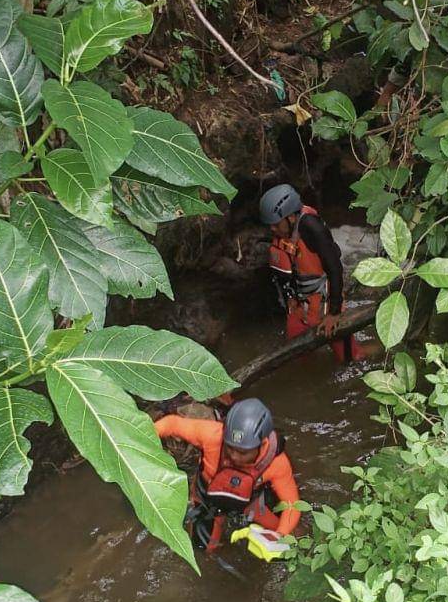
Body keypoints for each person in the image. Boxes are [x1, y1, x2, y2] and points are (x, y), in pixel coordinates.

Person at [155, 398, 300, 556]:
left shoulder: (276, 463)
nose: (235, 456)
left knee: (290, 538)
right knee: (204, 550)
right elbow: (172, 424)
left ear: (262, 444)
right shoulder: (212, 435)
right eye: (230, 448)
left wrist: (280, 534)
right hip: (208, 499)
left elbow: (292, 504)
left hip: (249, 502)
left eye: (243, 452)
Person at [259, 184, 362, 361]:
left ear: (291, 218)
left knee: (353, 359)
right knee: (296, 359)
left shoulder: (312, 228)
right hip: (300, 308)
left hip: (324, 305)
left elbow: (335, 269)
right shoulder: (283, 232)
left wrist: (334, 313)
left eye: (276, 225)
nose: (272, 230)